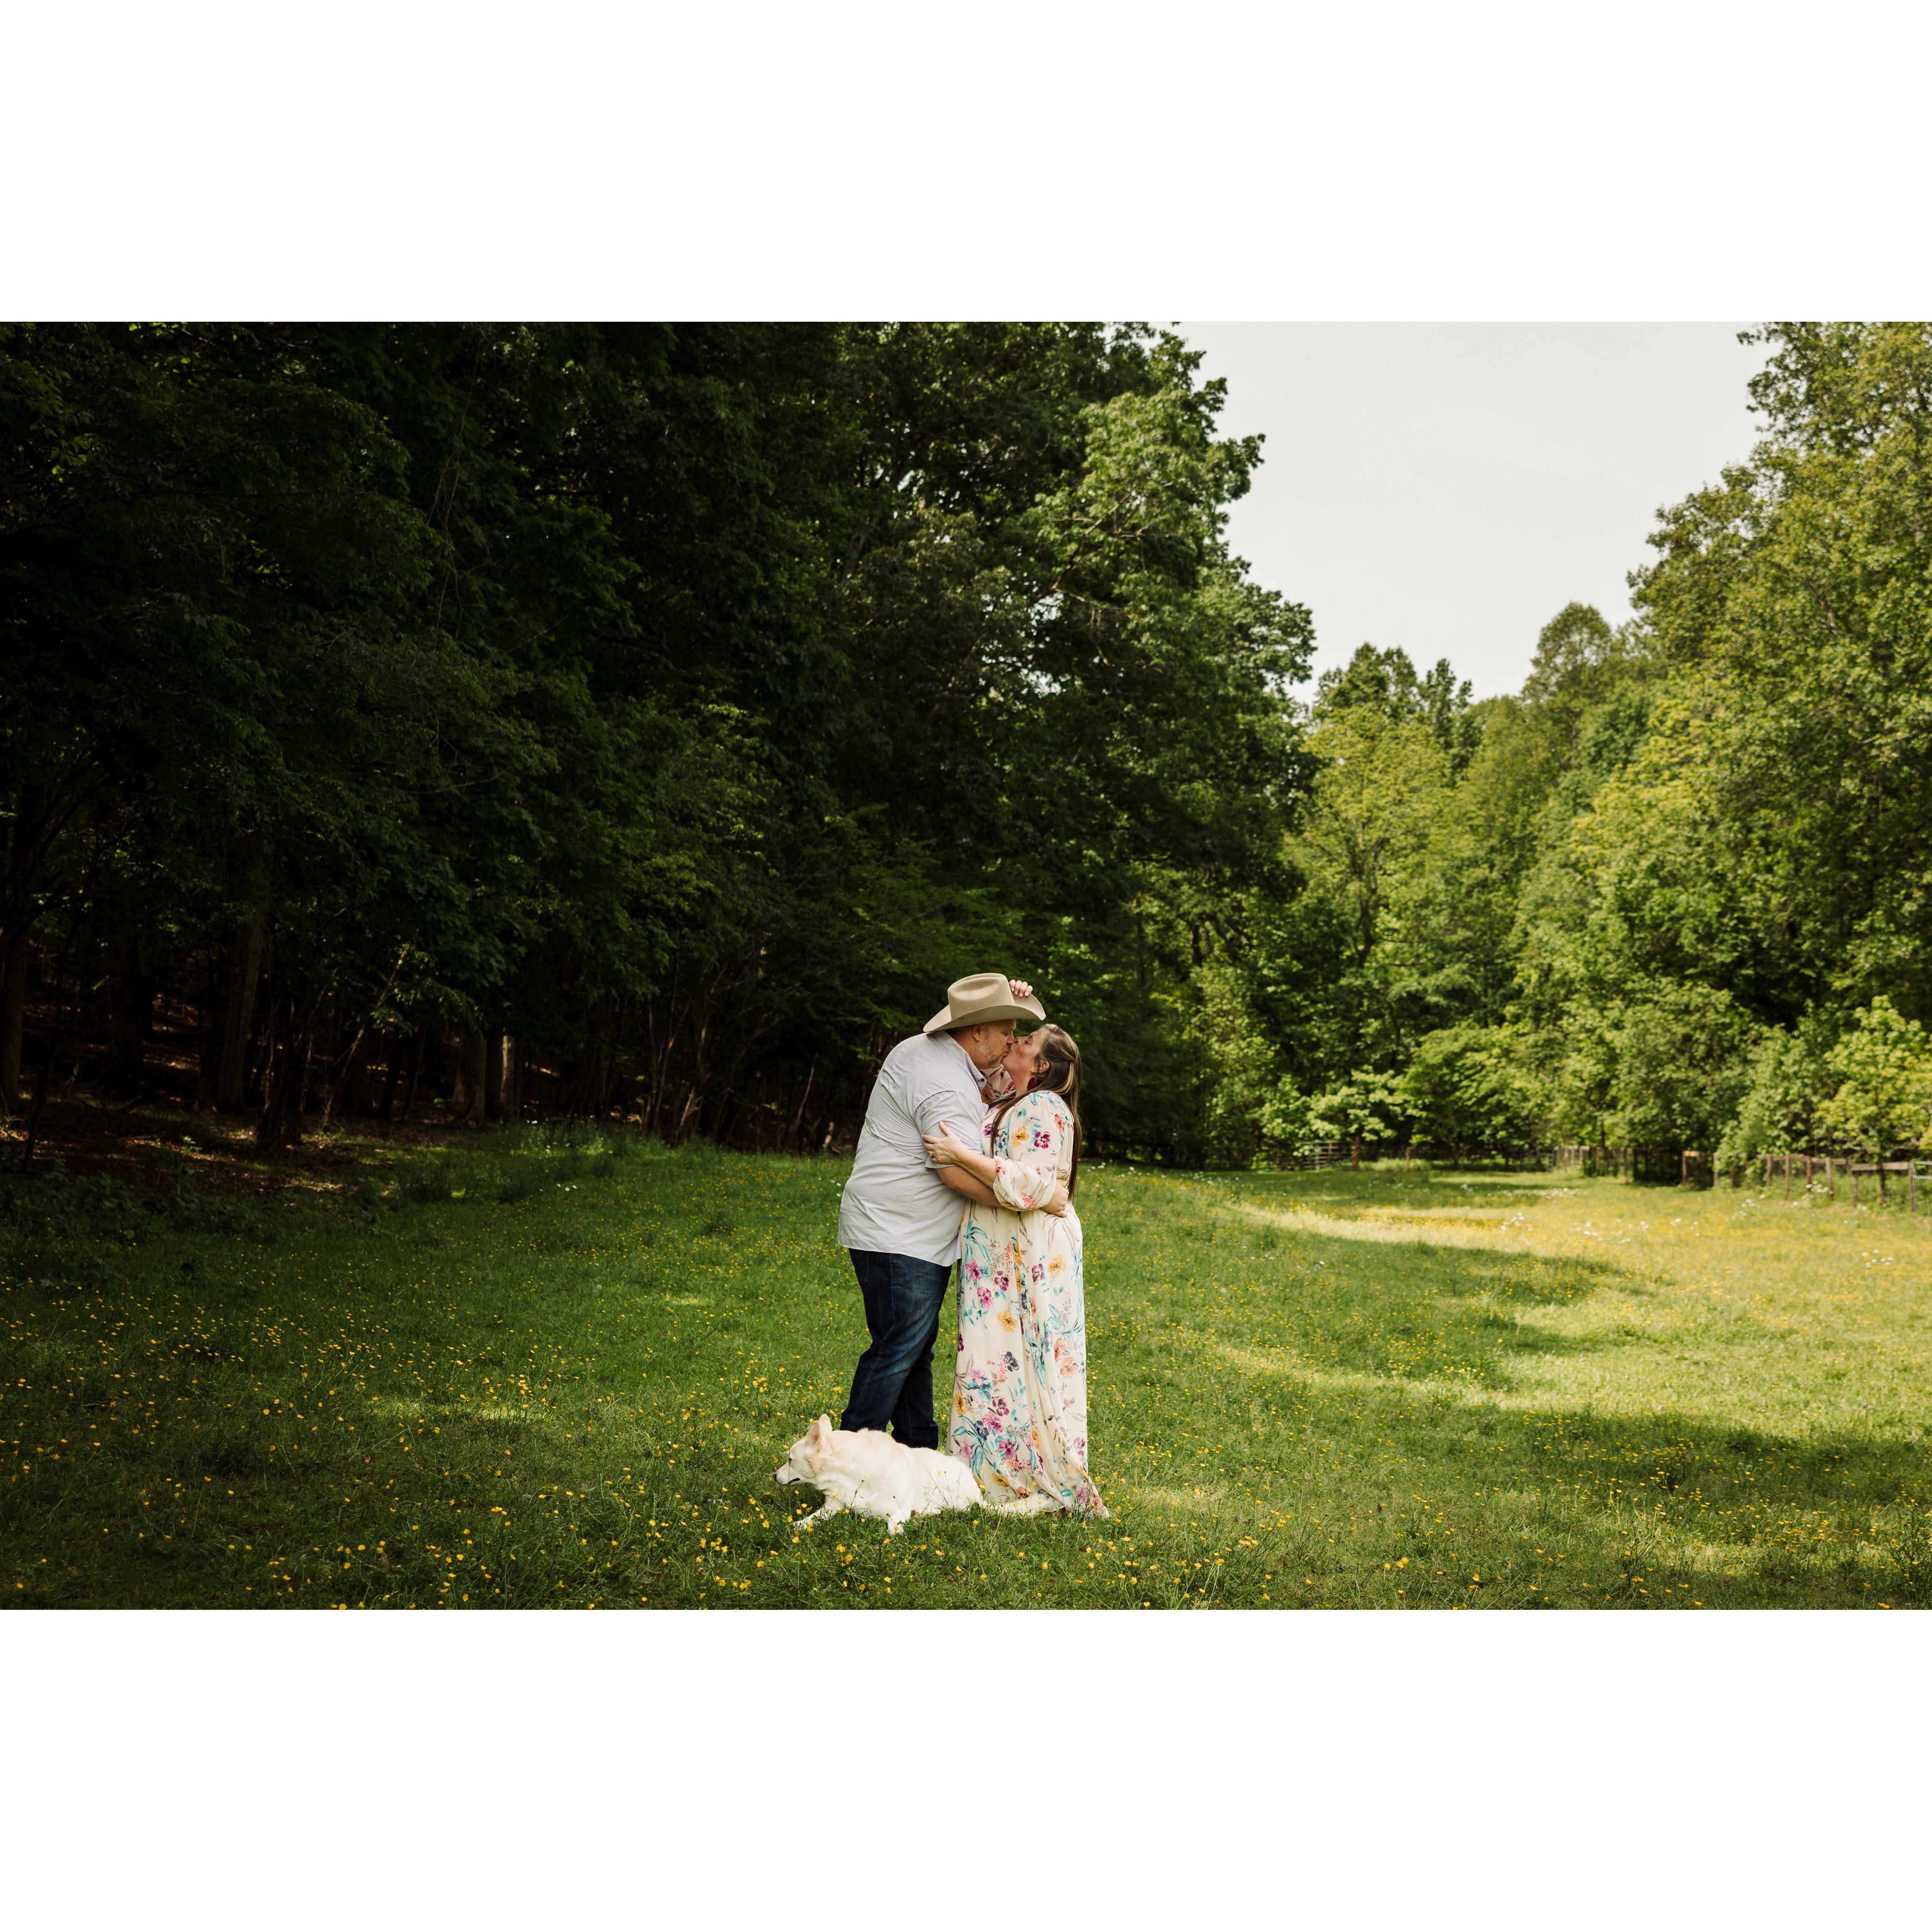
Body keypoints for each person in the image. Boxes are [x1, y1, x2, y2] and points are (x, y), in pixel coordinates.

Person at [835, 974, 1066, 1449]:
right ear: (975, 1030)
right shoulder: (943, 1083)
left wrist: (1012, 1001)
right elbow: (958, 1175)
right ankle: (847, 1455)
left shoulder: (931, 1052)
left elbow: (1002, 1092)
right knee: (899, 1347)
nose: (1010, 1043)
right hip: (900, 1233)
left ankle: (918, 1450)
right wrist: (1032, 1202)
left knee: (911, 1348)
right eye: (1005, 1031)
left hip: (900, 1228)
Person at [923, 1022, 1105, 1517]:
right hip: (1002, 1246)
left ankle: (1021, 1477)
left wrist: (960, 1155)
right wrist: (1021, 1001)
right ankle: (991, 1471)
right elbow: (981, 1063)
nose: (1014, 1043)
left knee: (1021, 1357)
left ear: (1042, 1065)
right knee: (997, 1357)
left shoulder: (1044, 1107)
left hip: (1027, 1251)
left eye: (1024, 1042)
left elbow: (1036, 1185)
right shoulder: (1013, 1098)